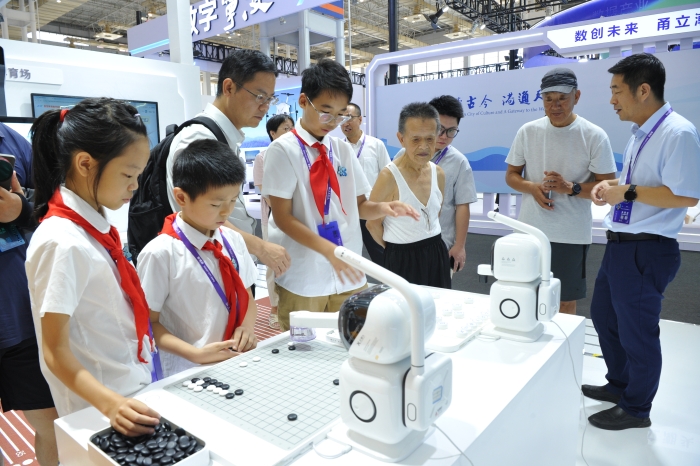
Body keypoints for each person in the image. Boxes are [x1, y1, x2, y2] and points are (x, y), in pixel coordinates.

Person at [26, 98, 160, 436]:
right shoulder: (61, 241)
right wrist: (111, 404)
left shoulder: (95, 228)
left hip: (130, 388)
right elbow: (54, 351)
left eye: (138, 175)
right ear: (85, 163)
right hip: (100, 409)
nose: (135, 186)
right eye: (128, 174)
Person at [585, 53, 700, 430]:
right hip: (621, 244)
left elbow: (686, 195)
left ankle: (637, 408)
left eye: (617, 91)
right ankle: (620, 384)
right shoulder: (642, 132)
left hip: (646, 249)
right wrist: (612, 185)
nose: (612, 100)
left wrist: (628, 192)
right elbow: (642, 183)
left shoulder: (678, 132)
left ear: (644, 90)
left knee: (637, 332)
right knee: (604, 317)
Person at [262, 59, 419, 331]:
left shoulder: (342, 149)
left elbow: (359, 205)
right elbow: (283, 218)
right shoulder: (282, 150)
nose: (333, 122)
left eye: (340, 115)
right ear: (303, 101)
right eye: (326, 112)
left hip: (348, 269)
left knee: (352, 339)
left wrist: (383, 208)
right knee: (303, 345)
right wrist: (329, 251)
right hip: (305, 274)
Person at [166, 49, 291, 285]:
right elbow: (197, 215)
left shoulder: (224, 136)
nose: (265, 107)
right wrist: (260, 247)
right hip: (212, 273)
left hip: (230, 263)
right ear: (229, 88)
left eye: (270, 99)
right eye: (259, 96)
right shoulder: (198, 139)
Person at [138, 140, 258, 378]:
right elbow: (148, 323)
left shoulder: (233, 240)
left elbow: (247, 296)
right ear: (181, 197)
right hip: (187, 371)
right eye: (216, 204)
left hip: (236, 361)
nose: (226, 211)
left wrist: (246, 327)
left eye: (233, 200)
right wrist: (195, 354)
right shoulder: (160, 254)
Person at [505, 68, 617, 315]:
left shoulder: (594, 135)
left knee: (564, 300)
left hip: (570, 234)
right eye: (548, 99)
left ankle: (563, 340)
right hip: (529, 231)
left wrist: (570, 188)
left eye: (562, 98)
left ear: (577, 96)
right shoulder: (528, 131)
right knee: (524, 293)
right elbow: (511, 176)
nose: (555, 106)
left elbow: (608, 188)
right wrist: (532, 187)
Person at [0, 123, 58, 465]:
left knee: (53, 427)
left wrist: (20, 208)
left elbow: (53, 201)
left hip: (21, 317)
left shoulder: (11, 141)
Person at [367, 102, 449, 288]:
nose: (424, 146)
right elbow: (372, 224)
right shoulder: (389, 176)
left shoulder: (438, 173)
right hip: (402, 257)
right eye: (416, 139)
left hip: (436, 251)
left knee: (439, 302)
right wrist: (395, 250)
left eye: (430, 139)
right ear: (401, 138)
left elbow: (436, 213)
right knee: (405, 306)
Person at [427, 95, 478, 277]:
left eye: (451, 131)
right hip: (405, 241)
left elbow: (462, 206)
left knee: (437, 291)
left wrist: (459, 246)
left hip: (441, 243)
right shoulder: (404, 155)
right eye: (439, 129)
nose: (444, 136)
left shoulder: (459, 162)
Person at [253, 114, 294, 329]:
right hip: (275, 218)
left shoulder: (297, 155)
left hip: (299, 219)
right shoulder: (262, 157)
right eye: (285, 128)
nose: (290, 132)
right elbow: (265, 192)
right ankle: (275, 308)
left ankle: (294, 305)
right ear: (272, 133)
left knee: (296, 261)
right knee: (274, 263)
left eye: (292, 128)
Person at [340, 102, 391, 265]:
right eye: (342, 119)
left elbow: (389, 177)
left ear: (360, 119)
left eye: (349, 118)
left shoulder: (375, 145)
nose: (345, 123)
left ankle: (392, 280)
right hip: (347, 212)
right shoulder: (338, 149)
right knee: (349, 255)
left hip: (371, 210)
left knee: (381, 254)